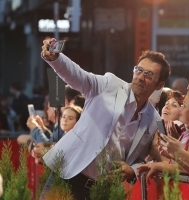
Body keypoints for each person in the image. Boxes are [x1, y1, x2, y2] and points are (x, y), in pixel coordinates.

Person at [41, 38, 171, 200]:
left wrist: (133, 170)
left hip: (104, 191)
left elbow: (140, 157)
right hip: (68, 176)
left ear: (159, 85)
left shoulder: (154, 120)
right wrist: (56, 59)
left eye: (149, 74)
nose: (140, 77)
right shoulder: (109, 84)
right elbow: (78, 76)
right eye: (138, 70)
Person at [137, 91, 189, 180]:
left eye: (184, 106)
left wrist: (160, 166)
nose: (180, 109)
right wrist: (169, 154)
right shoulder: (185, 134)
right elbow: (180, 162)